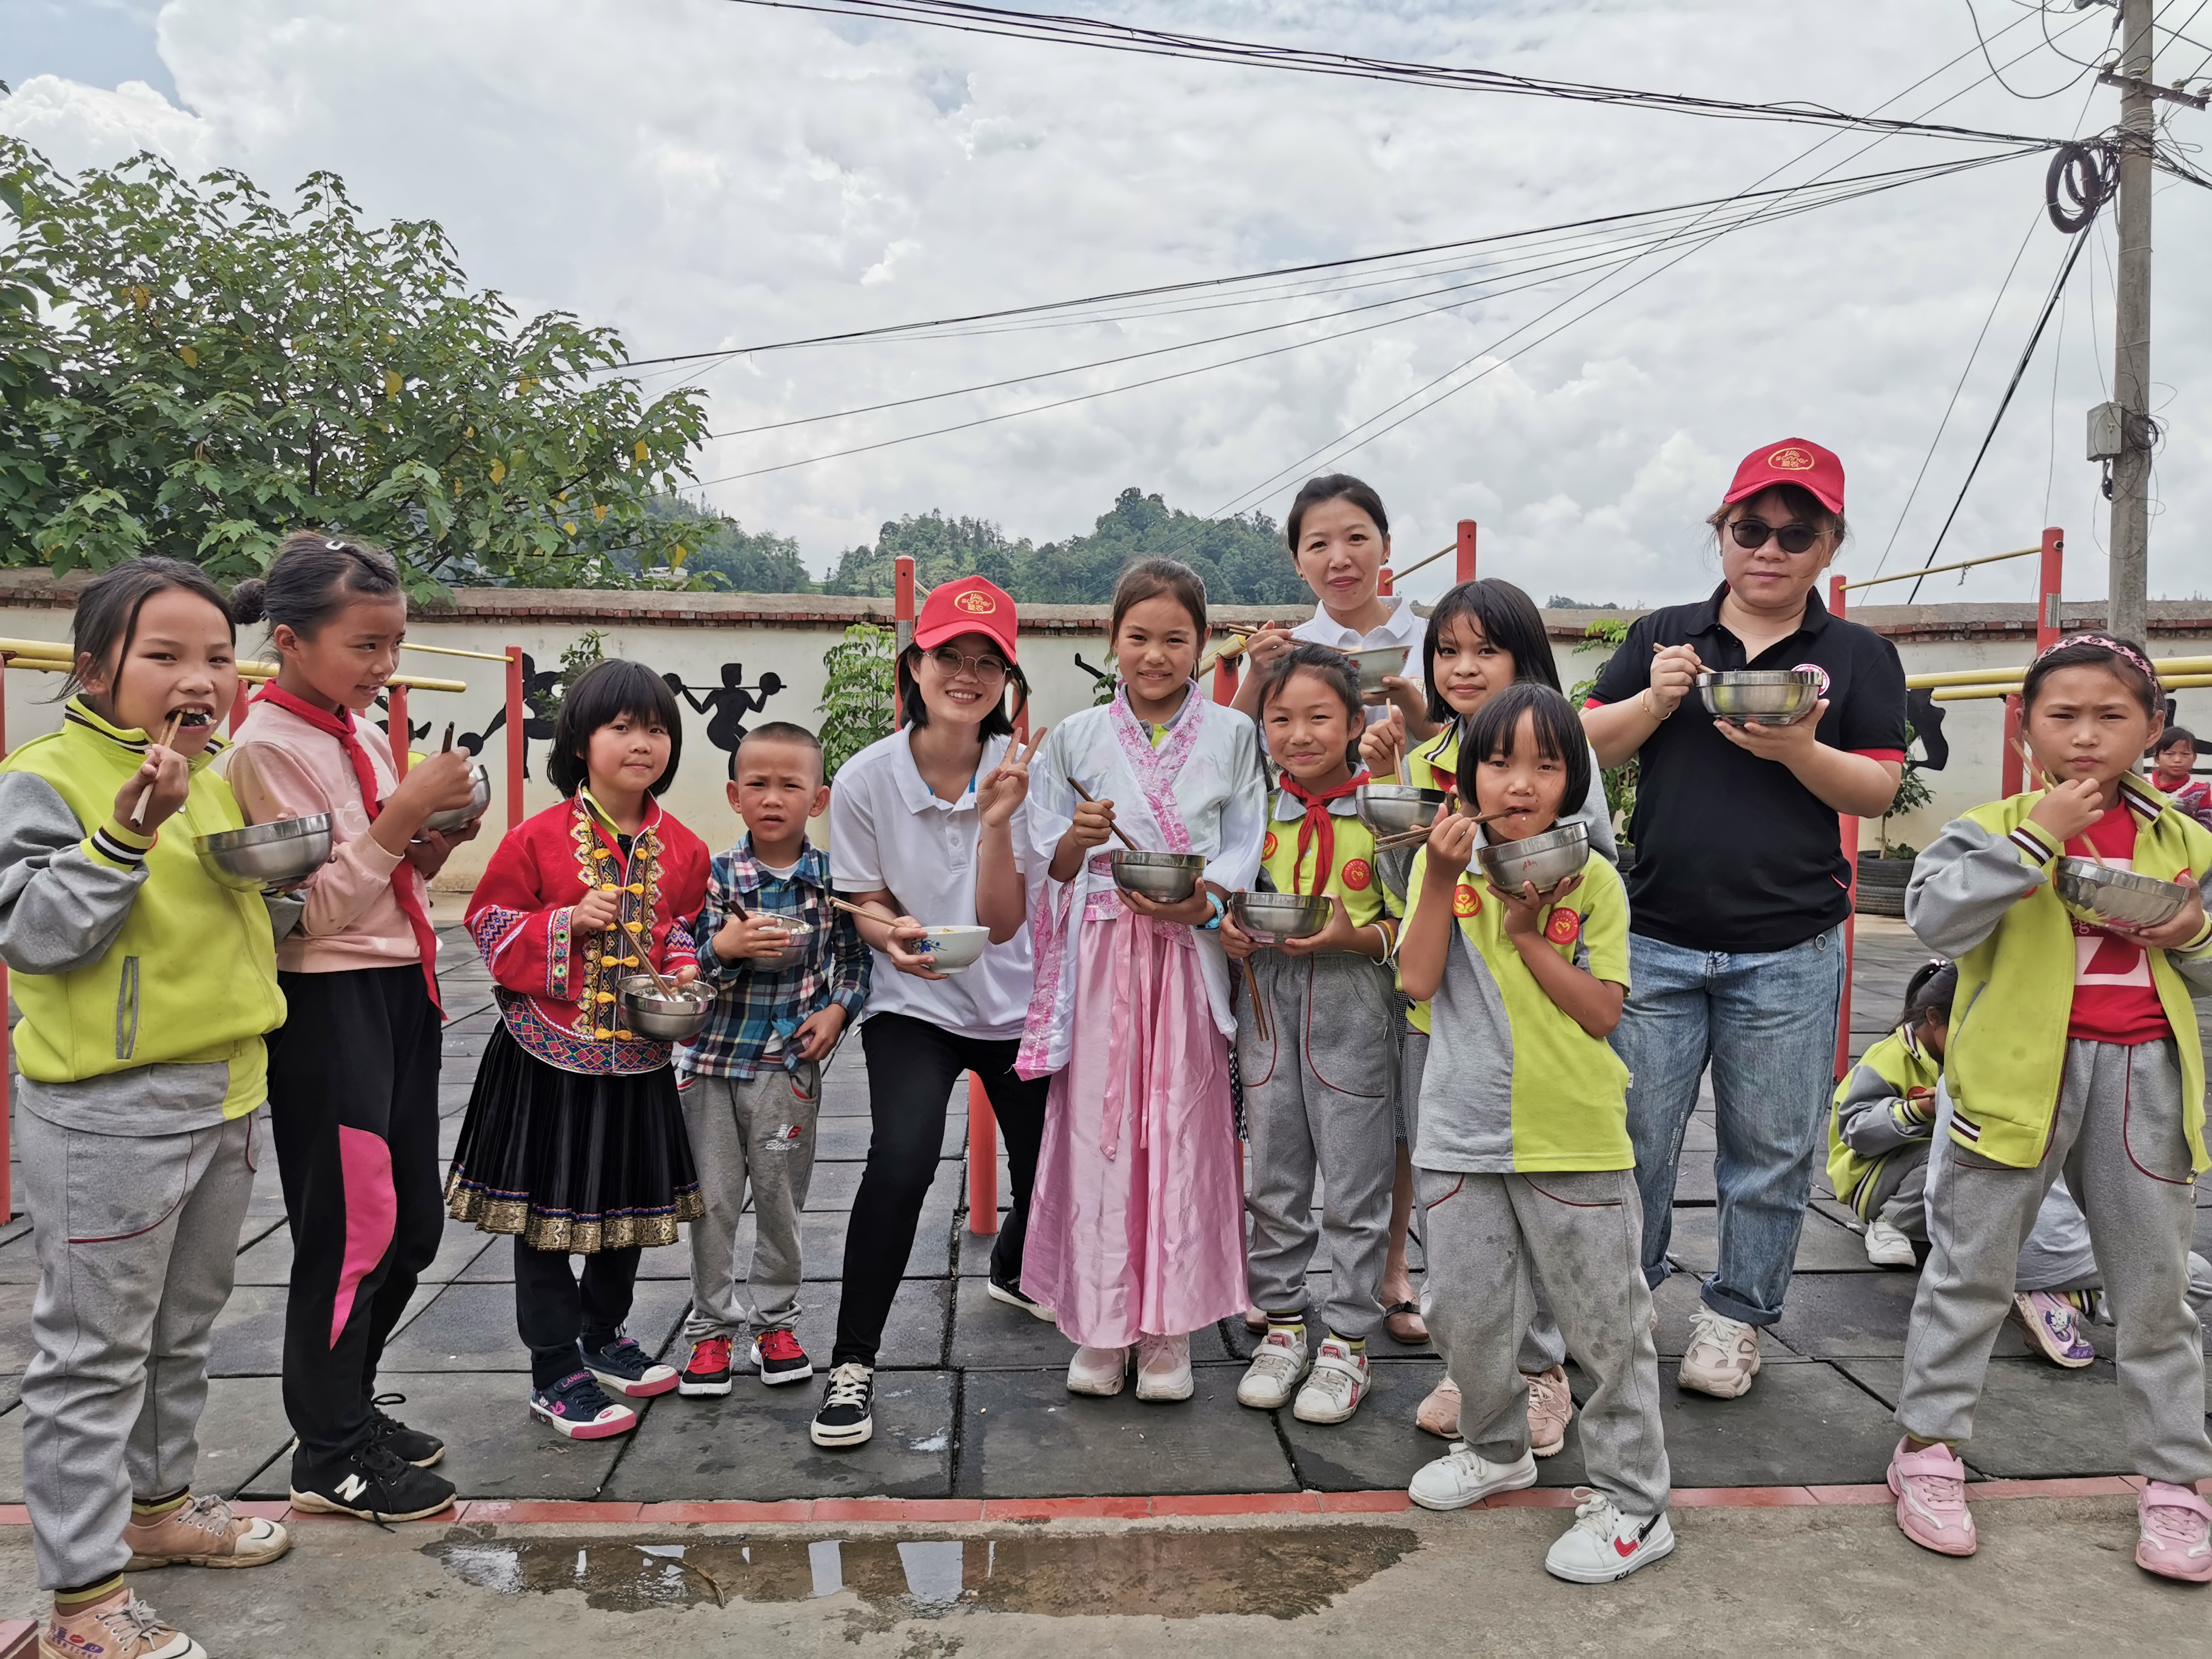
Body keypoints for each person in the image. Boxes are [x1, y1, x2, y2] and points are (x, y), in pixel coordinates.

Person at [0, 559, 290, 1659]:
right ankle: (81, 1606)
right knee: (90, 1355)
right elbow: (32, 934)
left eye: (216, 656)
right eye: (164, 654)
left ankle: (159, 1512)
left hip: (227, 1087)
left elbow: (226, 918)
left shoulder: (211, 774)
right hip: (109, 1111)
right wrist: (124, 836)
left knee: (182, 1328)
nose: (200, 678)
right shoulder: (44, 776)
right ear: (93, 669)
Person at [1582, 438, 1906, 1401]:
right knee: (1632, 1138)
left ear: (1829, 546)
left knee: (1770, 1150)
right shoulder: (1665, 636)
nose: (1769, 549)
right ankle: (1625, 1293)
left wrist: (1800, 750)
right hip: (1655, 935)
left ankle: (1737, 1316)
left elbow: (1878, 788)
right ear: (1721, 533)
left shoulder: (1858, 655)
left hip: (1790, 944)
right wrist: (1654, 700)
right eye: (1749, 528)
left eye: (1796, 534)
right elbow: (1586, 746)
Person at [1895, 631, 2212, 1580]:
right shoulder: (1987, 827)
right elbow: (1937, 919)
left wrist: (2189, 930)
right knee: (1971, 1273)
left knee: (2155, 1289)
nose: (2085, 736)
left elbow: (2205, 960)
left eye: (2112, 716)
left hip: (2142, 1077)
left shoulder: (2184, 840)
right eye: (2062, 715)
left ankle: (2174, 1477)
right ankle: (1927, 1449)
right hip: (2012, 1079)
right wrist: (2035, 838)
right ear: (2023, 729)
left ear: (2152, 729)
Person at [225, 532, 483, 1524]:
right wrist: (401, 816)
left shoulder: (360, 731)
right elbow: (312, 916)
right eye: (366, 645)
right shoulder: (265, 749)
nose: (385, 665)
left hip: (399, 988)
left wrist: (431, 839)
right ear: (290, 640)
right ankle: (329, 1454)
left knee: (412, 1224)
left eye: (393, 644)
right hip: (329, 1003)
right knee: (352, 1231)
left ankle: (349, 1411)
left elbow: (385, 874)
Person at [1398, 682, 1673, 1583]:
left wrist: (1529, 938)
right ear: (1469, 777)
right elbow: (1416, 981)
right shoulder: (1441, 867)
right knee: (1464, 1312)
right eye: (1499, 762)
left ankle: (1636, 1503)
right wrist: (1443, 879)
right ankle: (1496, 1447)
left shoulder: (1595, 880)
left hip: (1575, 1136)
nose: (1520, 783)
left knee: (1607, 1327)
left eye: (1546, 765)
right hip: (1460, 1128)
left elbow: (1602, 1013)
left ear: (1573, 783)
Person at [1004, 558, 1267, 1402]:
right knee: (1098, 1133)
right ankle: (1100, 1322)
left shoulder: (1233, 734)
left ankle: (1167, 1331)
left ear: (1203, 644)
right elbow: (1047, 864)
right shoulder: (1076, 739)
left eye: (1175, 639)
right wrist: (1077, 840)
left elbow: (1246, 841)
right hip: (1101, 957)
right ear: (1112, 639)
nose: (1156, 655)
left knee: (1181, 1132)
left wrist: (1204, 900)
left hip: (1186, 953)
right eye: (1139, 637)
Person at [1363, 577, 1617, 1447]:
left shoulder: (1557, 752)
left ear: (1526, 660)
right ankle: (1476, 1364)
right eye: (1447, 651)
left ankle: (1540, 1371)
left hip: (1537, 1019)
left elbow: (1589, 864)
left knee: (1537, 1204)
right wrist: (1387, 787)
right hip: (1443, 1022)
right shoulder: (1432, 759)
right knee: (1460, 1210)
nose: (1463, 668)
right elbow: (1405, 891)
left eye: (1485, 650)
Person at [445, 659, 711, 1441]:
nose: (642, 743)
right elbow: (489, 924)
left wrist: (684, 970)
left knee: (629, 1211)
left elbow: (681, 926)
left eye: (656, 729)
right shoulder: (535, 839)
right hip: (548, 1059)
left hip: (640, 1059)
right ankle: (554, 1369)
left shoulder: (685, 847)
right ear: (579, 742)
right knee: (547, 1219)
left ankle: (603, 1333)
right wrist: (565, 922)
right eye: (621, 727)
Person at [816, 574, 1049, 1450]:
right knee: (903, 1159)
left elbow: (1003, 924)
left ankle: (1015, 1265)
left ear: (1007, 681)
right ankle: (853, 1363)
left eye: (988, 662)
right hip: (913, 997)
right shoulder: (866, 778)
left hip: (1014, 998)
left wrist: (997, 822)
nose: (967, 675)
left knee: (1052, 1170)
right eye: (950, 655)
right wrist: (893, 935)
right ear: (914, 666)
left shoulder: (1025, 773)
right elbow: (864, 898)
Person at [1219, 644, 1398, 1425]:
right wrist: (1229, 929)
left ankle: (1350, 1339)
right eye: (1280, 719)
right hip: (1268, 1001)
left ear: (1357, 723)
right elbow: (1226, 896)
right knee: (1274, 1174)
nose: (1298, 735)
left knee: (1357, 1182)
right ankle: (1284, 1325)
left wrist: (1354, 937)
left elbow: (1410, 925)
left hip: (1355, 1003)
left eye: (1319, 717)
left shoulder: (1386, 812)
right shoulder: (1253, 811)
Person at [1828, 959, 2162, 1368]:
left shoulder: (1968, 1055)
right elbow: (1854, 1130)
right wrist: (1918, 1111)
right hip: (1874, 1176)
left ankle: (2012, 1267)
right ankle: (1890, 1222)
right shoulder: (1889, 1057)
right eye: (1966, 1026)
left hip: (1933, 1185)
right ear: (1933, 1018)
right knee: (1950, 1150)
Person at [674, 726, 870, 1398]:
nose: (772, 798)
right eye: (757, 784)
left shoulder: (833, 882)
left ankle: (775, 1323)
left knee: (782, 1200)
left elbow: (856, 961)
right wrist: (725, 950)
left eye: (790, 785)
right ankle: (710, 1330)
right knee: (712, 1203)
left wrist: (837, 1012)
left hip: (788, 1069)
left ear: (818, 800)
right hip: (711, 1064)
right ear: (735, 796)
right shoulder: (716, 877)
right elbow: (687, 972)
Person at [1235, 473, 1432, 740]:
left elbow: (1476, 739)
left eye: (1356, 538)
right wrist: (1257, 676)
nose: (1339, 560)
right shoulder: (1289, 652)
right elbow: (1233, 749)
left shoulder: (1436, 641)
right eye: (1319, 544)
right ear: (1297, 563)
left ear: (1386, 547)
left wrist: (1413, 705)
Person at [2148, 727, 2212, 828]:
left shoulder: (2200, 792)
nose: (2178, 760)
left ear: (2194, 758)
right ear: (2157, 758)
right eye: (2170, 754)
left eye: (2185, 754)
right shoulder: (2144, 785)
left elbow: (2207, 826)